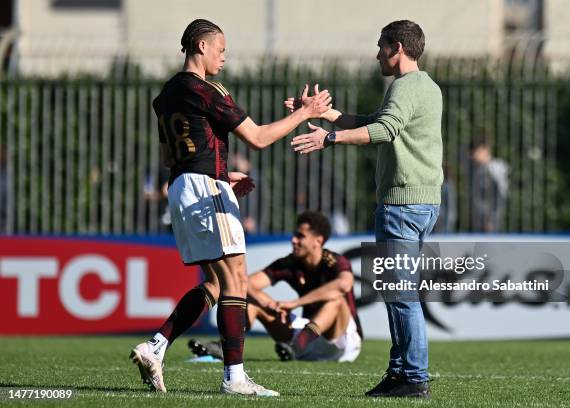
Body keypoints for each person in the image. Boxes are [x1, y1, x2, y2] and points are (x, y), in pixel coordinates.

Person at [129, 18, 331, 397]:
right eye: (221, 49)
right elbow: (256, 137)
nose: (224, 56)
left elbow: (181, 149)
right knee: (236, 278)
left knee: (218, 283)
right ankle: (234, 377)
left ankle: (155, 346)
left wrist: (223, 173)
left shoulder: (167, 92)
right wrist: (304, 114)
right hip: (204, 188)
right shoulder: (205, 89)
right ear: (202, 47)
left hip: (185, 185)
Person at [289, 20, 442, 398]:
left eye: (381, 46)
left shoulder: (405, 87)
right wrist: (324, 115)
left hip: (403, 205)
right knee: (397, 292)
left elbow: (383, 130)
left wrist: (329, 138)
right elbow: (375, 122)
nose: (377, 54)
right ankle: (400, 371)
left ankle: (414, 377)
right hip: (420, 203)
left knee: (401, 294)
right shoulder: (425, 87)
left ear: (397, 48)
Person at [200, 211, 362, 363]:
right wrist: (270, 304)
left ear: (318, 241)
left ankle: (299, 344)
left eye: (300, 236)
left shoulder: (335, 261)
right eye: (294, 235)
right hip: (303, 340)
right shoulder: (290, 263)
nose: (293, 240)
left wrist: (294, 303)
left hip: (342, 343)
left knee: (337, 300)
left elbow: (344, 284)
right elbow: (245, 283)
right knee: (251, 301)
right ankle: (226, 347)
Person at [469, 139, 510, 232]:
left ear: (485, 150)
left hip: (491, 221)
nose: (474, 156)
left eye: (477, 152)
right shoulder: (479, 170)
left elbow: (501, 194)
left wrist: (491, 218)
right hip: (480, 220)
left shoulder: (495, 168)